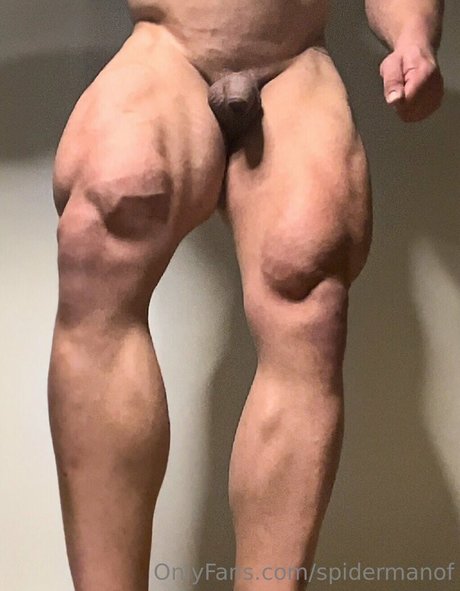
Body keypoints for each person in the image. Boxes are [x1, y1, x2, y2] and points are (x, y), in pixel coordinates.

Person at [48, 1, 444, 590]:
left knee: (309, 269)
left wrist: (412, 37)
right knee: (105, 220)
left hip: (296, 63)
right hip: (167, 49)